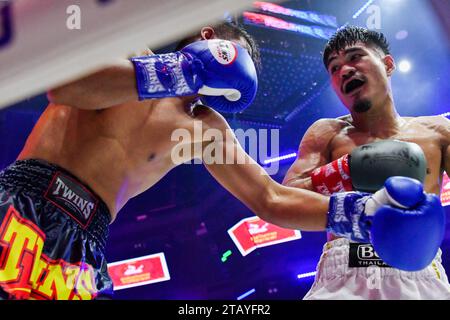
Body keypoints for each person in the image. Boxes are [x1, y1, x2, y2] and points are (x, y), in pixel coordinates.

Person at [0, 22, 443, 300]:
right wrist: (179, 70)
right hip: (27, 200)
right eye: (243, 61)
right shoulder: (133, 49)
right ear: (211, 38)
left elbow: (269, 198)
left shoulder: (202, 128)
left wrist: (360, 215)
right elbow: (66, 88)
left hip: (87, 243)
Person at [283, 25, 450, 299]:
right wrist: (347, 169)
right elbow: (286, 199)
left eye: (354, 57)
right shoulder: (327, 133)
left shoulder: (438, 132)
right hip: (343, 273)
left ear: (387, 64)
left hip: (421, 274)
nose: (344, 71)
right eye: (334, 68)